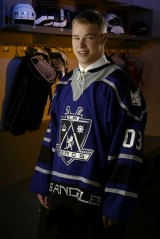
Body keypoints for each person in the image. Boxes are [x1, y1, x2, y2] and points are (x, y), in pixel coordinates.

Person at [30, 9, 147, 239]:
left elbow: (129, 151)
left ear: (103, 38)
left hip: (98, 202)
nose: (81, 45)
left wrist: (116, 201)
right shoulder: (63, 84)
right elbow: (52, 134)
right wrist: (43, 181)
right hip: (62, 196)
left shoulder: (122, 87)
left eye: (89, 37)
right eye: (76, 37)